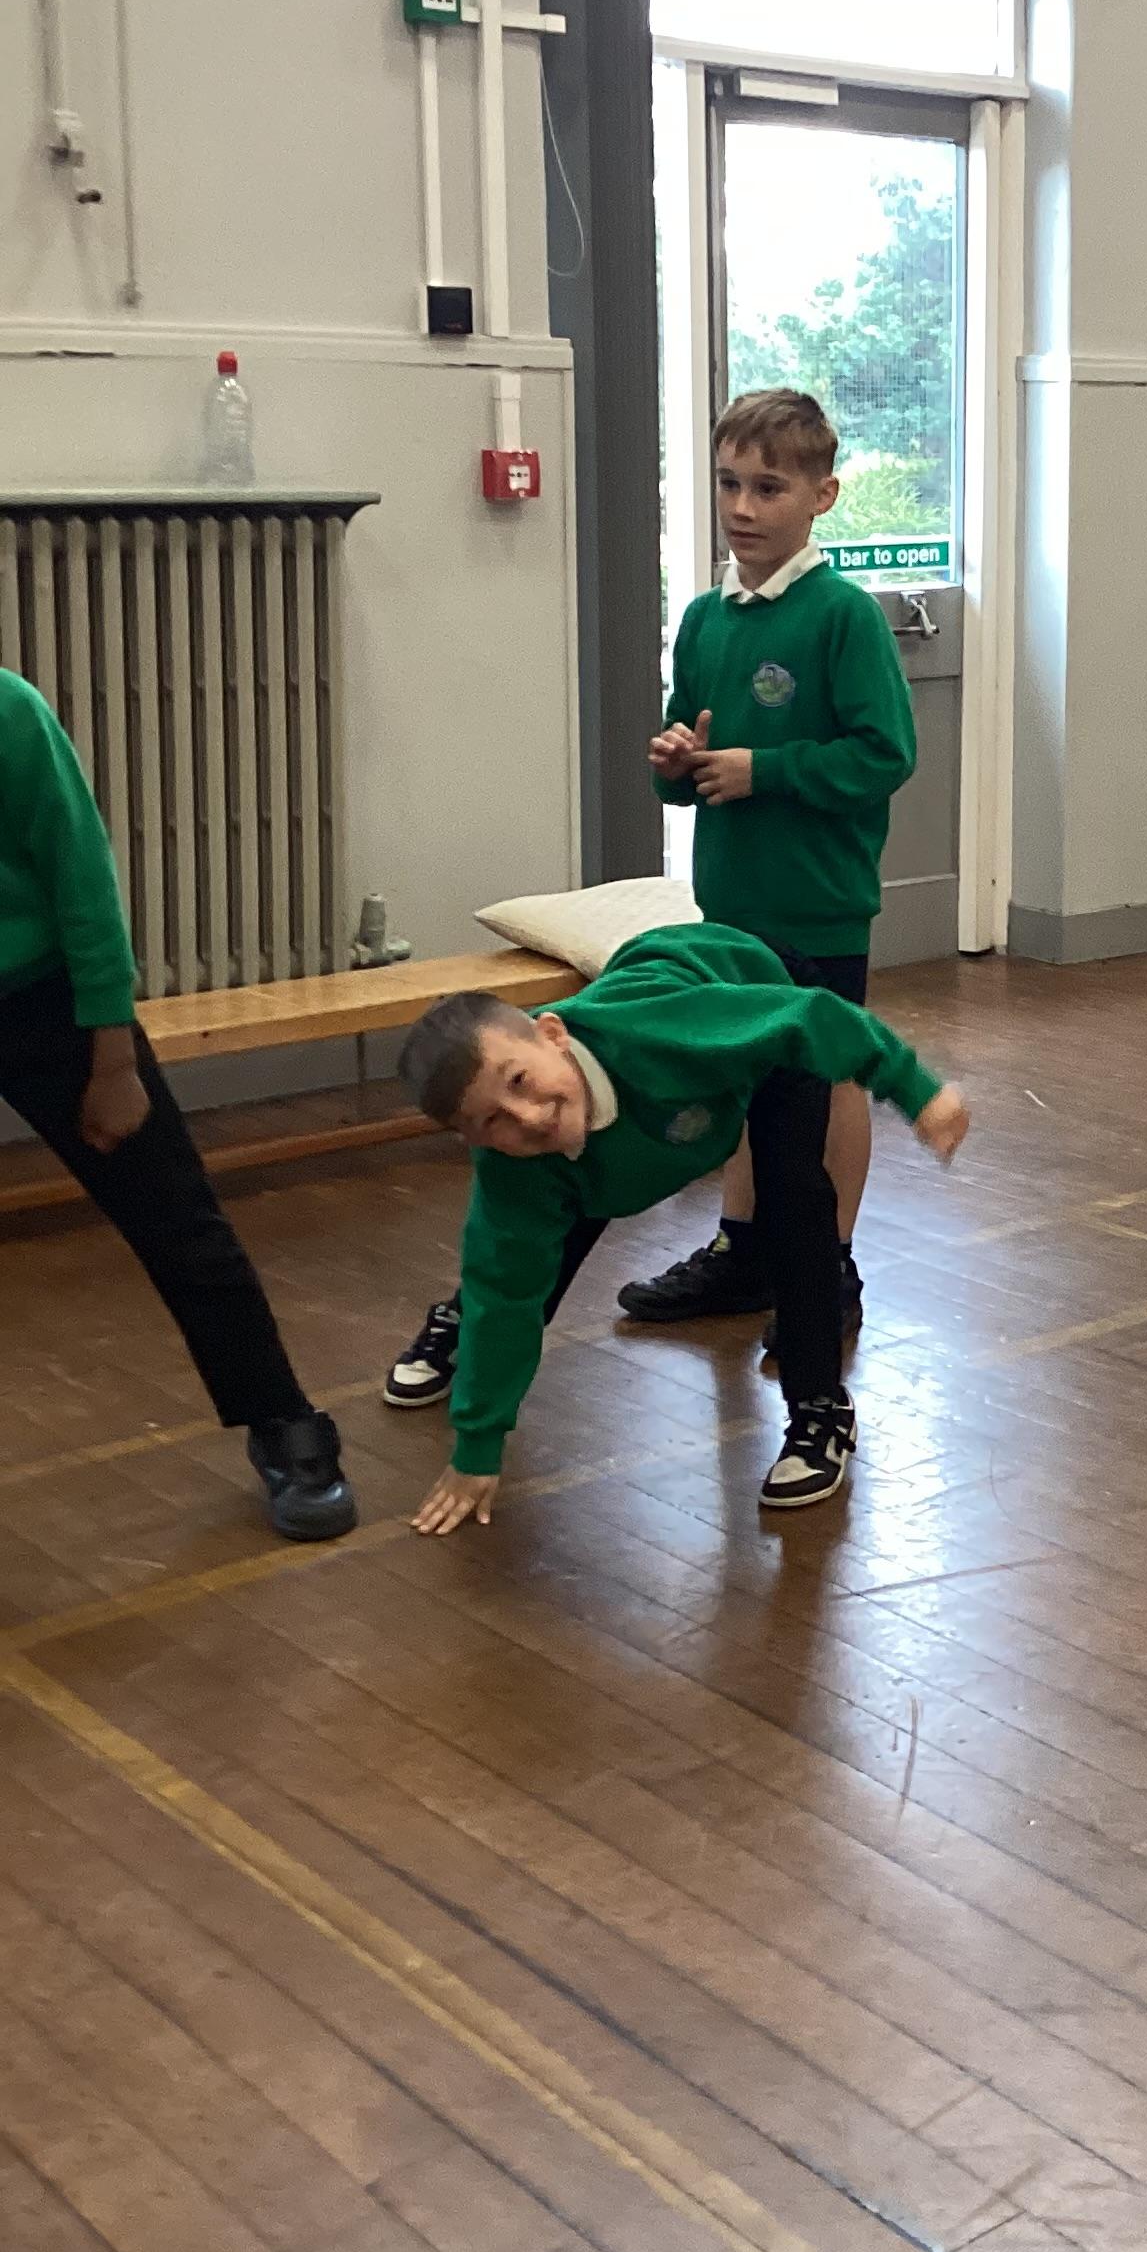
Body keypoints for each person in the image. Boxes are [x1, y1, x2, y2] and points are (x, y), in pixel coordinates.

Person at [386, 386, 915, 1408]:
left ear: (823, 495)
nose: (744, 506)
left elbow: (884, 754)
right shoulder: (706, 618)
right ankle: (744, 1250)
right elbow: (689, 756)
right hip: (729, 910)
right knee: (738, 1073)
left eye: (770, 487)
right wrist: (677, 764)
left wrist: (766, 770)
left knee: (820, 1081)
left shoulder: (843, 615)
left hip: (817, 904)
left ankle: (826, 1265)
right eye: (729, 483)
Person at [398, 920, 966, 1528]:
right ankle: (461, 1328)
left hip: (754, 995)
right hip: (632, 1086)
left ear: (553, 1035)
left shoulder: (663, 1035)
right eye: (492, 1120)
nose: (528, 1116)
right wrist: (477, 1448)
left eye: (520, 1082)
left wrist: (918, 1091)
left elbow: (813, 1017)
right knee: (532, 1240)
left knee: (793, 1201)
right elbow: (507, 1291)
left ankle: (820, 1410)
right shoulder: (513, 1162)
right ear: (470, 1139)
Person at [0, 667, 354, 1539]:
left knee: (176, 1219)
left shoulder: (10, 710)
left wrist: (112, 1053)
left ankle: (282, 1420)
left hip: (47, 1000)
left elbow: (82, 875)